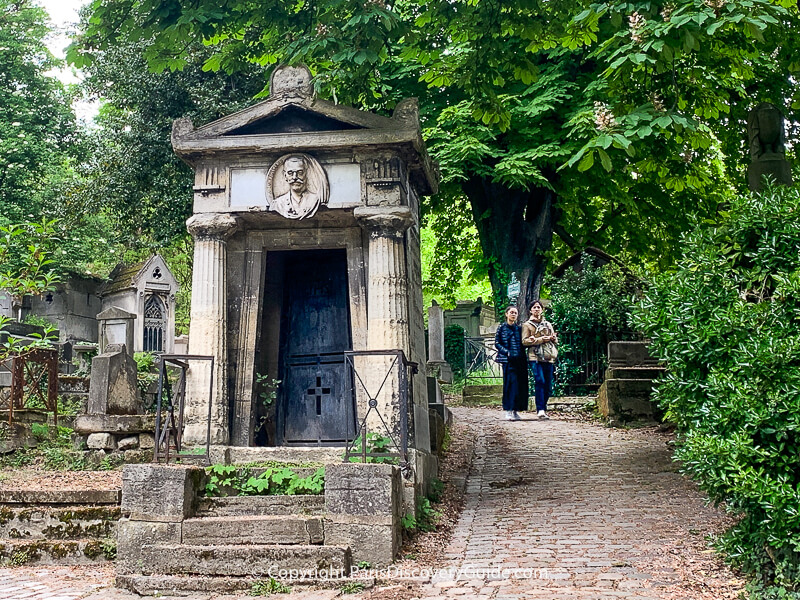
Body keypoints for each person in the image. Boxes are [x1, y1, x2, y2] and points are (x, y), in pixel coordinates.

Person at [523, 300, 558, 420]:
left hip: (548, 357)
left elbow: (554, 340)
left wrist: (553, 338)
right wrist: (539, 340)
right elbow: (524, 341)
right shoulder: (527, 325)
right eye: (534, 307)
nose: (537, 309)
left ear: (542, 310)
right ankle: (540, 410)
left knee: (548, 385)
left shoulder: (548, 324)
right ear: (531, 310)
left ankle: (544, 407)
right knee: (540, 381)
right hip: (535, 357)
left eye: (539, 307)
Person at [494, 305, 529, 421]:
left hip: (520, 360)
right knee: (510, 385)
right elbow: (497, 343)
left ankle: (515, 410)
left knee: (519, 386)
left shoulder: (519, 329)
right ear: (506, 314)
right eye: (511, 312)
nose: (513, 314)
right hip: (508, 361)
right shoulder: (501, 328)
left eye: (515, 313)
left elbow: (523, 342)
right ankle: (508, 410)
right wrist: (506, 352)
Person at [272, 155, 321, 219]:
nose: (295, 177)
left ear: (306, 174)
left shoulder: (314, 200)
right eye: (290, 173)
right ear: (285, 176)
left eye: (300, 172)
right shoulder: (278, 204)